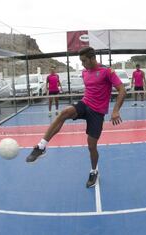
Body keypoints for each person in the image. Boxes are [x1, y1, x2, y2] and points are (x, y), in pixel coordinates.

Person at [26, 47, 126, 188]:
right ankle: (41, 146)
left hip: (97, 113)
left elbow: (122, 90)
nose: (83, 64)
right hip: (85, 104)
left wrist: (115, 110)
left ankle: (94, 171)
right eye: (81, 61)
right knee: (64, 112)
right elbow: (91, 90)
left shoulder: (107, 71)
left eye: (84, 61)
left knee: (92, 146)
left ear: (92, 58)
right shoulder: (84, 72)